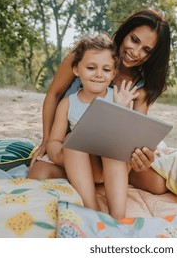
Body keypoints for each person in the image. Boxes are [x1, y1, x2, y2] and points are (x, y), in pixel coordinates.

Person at [28, 9, 171, 195]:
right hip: (72, 144)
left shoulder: (141, 87)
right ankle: (87, 177)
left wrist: (141, 158)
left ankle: (101, 178)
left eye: (146, 50)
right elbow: (53, 95)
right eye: (134, 40)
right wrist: (47, 141)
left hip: (109, 151)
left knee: (157, 185)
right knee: (38, 175)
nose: (135, 52)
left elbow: (134, 135)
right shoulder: (86, 57)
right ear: (124, 32)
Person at [47, 33, 137, 219]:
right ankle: (92, 209)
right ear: (76, 69)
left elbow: (125, 138)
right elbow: (54, 140)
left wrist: (121, 108)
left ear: (113, 74)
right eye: (90, 67)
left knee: (113, 144)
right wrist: (60, 153)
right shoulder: (68, 103)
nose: (98, 74)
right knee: (72, 141)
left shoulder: (118, 98)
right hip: (82, 166)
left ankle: (118, 217)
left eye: (106, 69)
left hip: (112, 166)